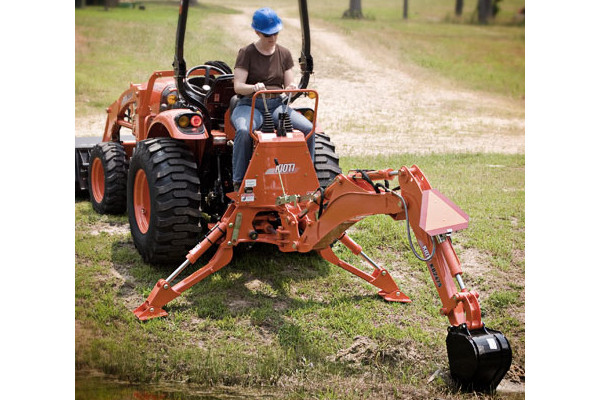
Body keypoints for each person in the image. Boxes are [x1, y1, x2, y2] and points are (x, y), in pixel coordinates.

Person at [231, 7, 315, 191]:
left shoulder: (284, 53)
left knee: (308, 128)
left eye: (275, 33)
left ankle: (308, 178)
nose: (272, 38)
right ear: (257, 32)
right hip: (250, 104)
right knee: (245, 131)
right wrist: (253, 87)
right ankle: (240, 182)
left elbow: (289, 84)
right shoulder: (247, 53)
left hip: (277, 105)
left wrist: (292, 88)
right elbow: (238, 87)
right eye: (268, 34)